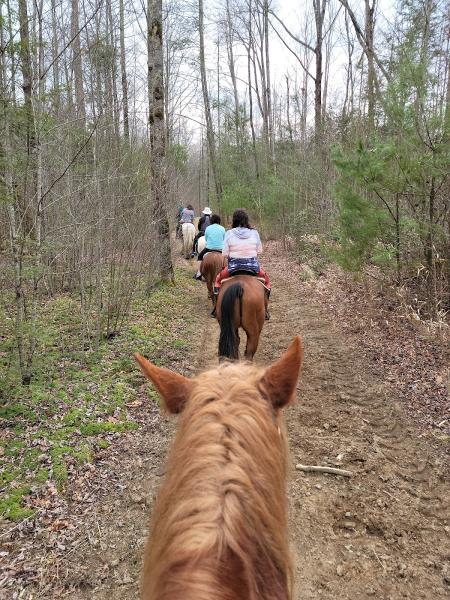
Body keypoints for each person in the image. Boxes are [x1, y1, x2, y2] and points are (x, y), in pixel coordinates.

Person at [212, 209, 271, 319]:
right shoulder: (254, 233)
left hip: (233, 268)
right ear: (246, 220)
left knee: (218, 280)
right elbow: (259, 251)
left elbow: (224, 253)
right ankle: (266, 310)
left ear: (234, 220)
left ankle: (216, 308)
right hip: (253, 267)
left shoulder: (229, 233)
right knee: (267, 281)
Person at [193, 214, 226, 280]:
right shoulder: (223, 228)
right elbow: (224, 239)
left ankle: (199, 274)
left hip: (209, 248)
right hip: (220, 249)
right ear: (219, 221)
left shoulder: (208, 228)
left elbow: (206, 239)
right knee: (227, 259)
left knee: (200, 257)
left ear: (211, 221)